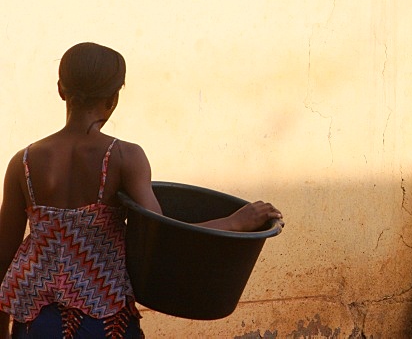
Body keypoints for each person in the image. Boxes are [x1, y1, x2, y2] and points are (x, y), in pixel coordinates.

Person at [0, 42, 283, 338]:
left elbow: (3, 255)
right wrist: (236, 222)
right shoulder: (123, 157)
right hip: (106, 321)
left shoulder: (23, 163)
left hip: (35, 319)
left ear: (60, 90)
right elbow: (162, 241)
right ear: (113, 98)